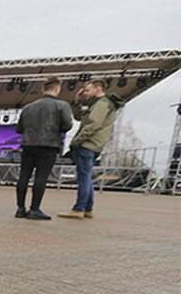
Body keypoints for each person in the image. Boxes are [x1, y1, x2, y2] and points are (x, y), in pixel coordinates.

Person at [58, 80, 124, 219]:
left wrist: (76, 141)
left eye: (87, 90)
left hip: (88, 144)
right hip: (94, 144)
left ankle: (79, 208)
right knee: (86, 177)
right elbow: (78, 117)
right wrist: (77, 101)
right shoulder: (99, 104)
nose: (85, 92)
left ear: (98, 88)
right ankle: (87, 208)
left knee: (83, 177)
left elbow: (92, 125)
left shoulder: (102, 104)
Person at [13, 77, 73, 220]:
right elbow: (67, 126)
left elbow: (19, 129)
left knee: (23, 176)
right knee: (41, 177)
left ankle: (20, 208)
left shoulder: (28, 107)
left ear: (43, 89)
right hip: (48, 145)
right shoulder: (62, 105)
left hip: (28, 145)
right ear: (57, 89)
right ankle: (34, 209)